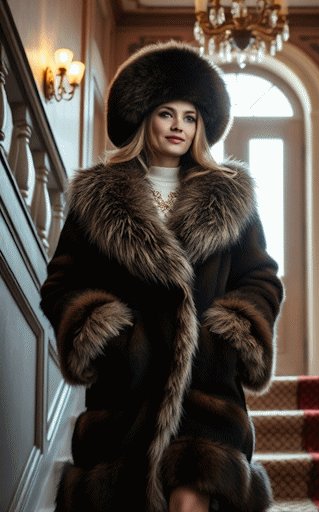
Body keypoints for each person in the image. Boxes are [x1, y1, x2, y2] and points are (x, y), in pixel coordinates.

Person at [40, 41, 284, 512]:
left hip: (206, 391)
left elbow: (261, 278)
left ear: (202, 126)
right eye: (166, 113)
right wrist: (106, 332)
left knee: (190, 499)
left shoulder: (231, 197)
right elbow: (61, 283)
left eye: (190, 116)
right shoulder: (98, 196)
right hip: (125, 397)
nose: (178, 126)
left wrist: (229, 331)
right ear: (142, 117)